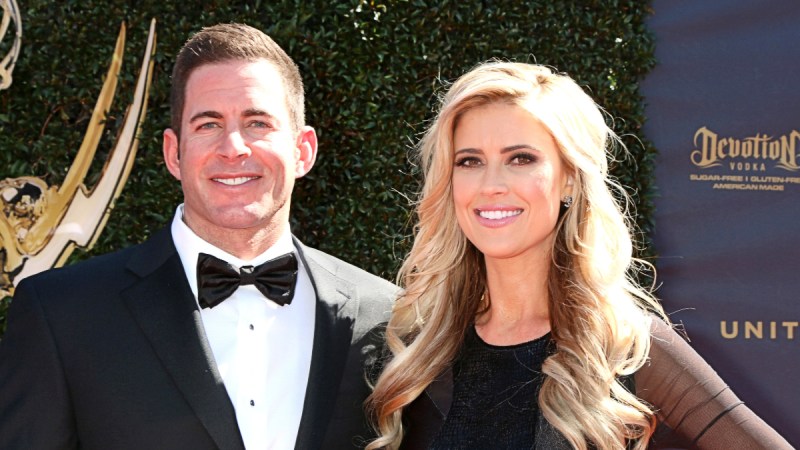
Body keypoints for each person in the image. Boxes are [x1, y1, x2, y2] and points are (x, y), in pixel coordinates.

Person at [0, 23, 396, 449]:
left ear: (303, 151)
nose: (234, 147)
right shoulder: (61, 314)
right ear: (174, 153)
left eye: (257, 122)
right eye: (208, 124)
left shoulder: (386, 315)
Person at [365, 62, 793, 450]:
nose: (491, 184)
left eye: (520, 158)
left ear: (570, 178)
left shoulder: (627, 348)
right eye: (469, 161)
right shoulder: (417, 351)